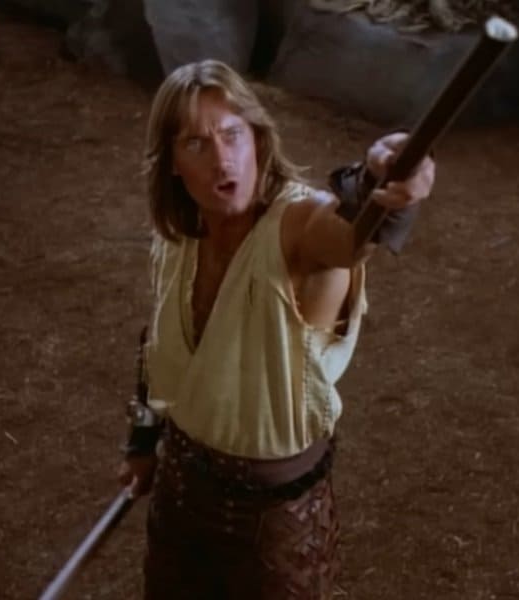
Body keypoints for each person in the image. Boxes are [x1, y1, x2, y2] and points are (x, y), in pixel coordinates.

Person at [118, 59, 435, 599]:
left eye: (232, 134)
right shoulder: (180, 236)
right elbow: (160, 343)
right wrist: (144, 440)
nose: (222, 159)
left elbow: (345, 235)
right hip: (181, 496)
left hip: (272, 531)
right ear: (171, 163)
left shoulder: (295, 228)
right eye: (196, 143)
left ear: (258, 140)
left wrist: (378, 186)